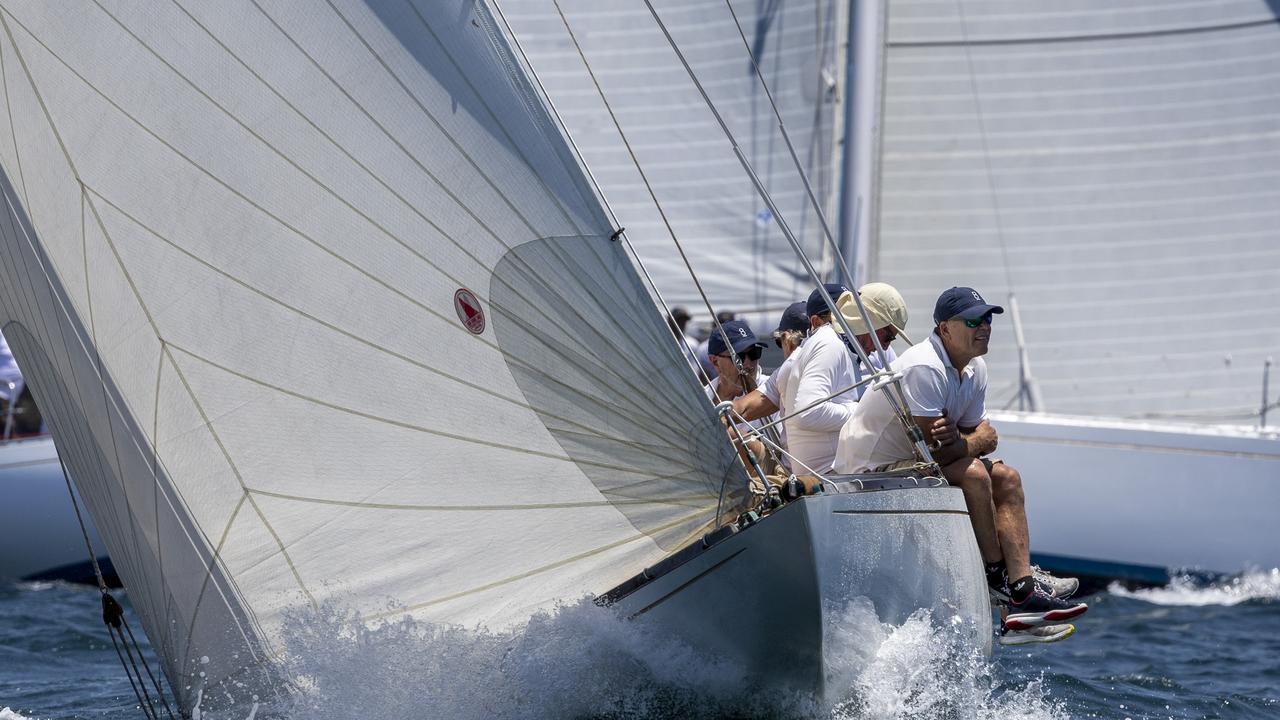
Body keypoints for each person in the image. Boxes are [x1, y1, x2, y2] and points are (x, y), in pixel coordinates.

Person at [833, 287, 1085, 628]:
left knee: (1006, 477)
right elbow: (943, 447)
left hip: (915, 463)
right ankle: (996, 578)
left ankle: (1023, 589)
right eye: (973, 320)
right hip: (871, 469)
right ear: (945, 328)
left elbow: (968, 441)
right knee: (975, 475)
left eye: (987, 319)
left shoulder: (975, 368)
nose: (984, 326)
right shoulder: (926, 366)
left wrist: (970, 441)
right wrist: (975, 440)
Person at [732, 284, 856, 475]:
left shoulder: (795, 362)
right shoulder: (798, 364)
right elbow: (746, 408)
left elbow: (744, 409)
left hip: (807, 472)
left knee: (738, 438)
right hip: (826, 471)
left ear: (787, 340)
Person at [695, 310, 735, 381]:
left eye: (727, 326)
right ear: (714, 326)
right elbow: (703, 378)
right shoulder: (704, 349)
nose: (723, 329)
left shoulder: (742, 347)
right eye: (720, 325)